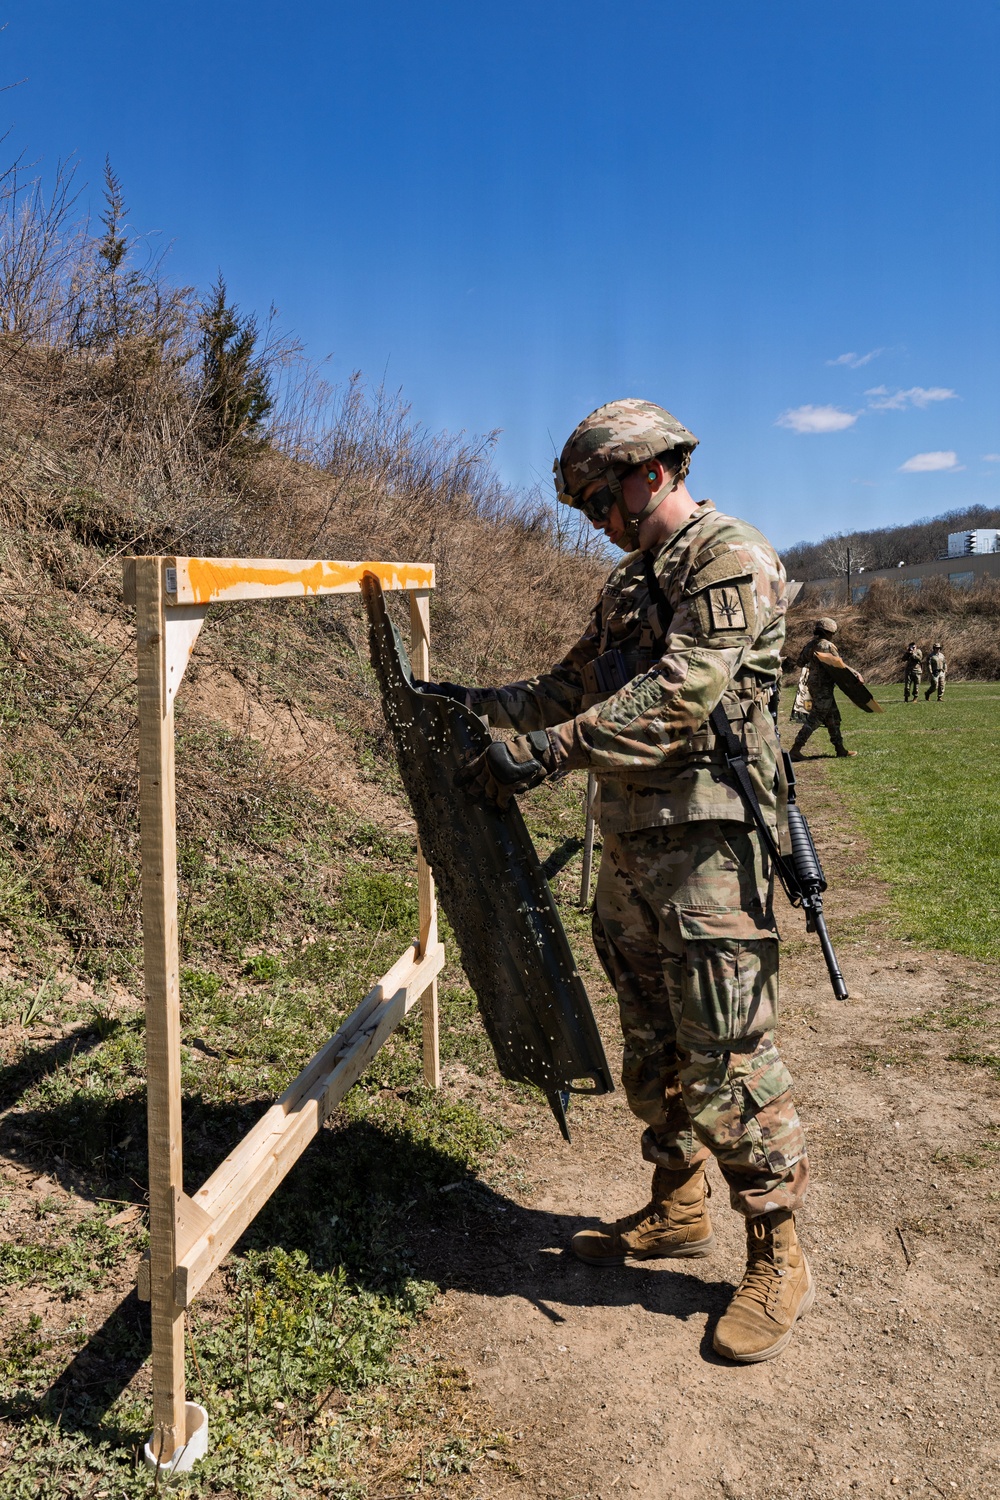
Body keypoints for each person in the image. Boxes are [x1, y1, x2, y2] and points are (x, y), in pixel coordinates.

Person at [424, 399, 812, 1364]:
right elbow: (573, 684)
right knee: (651, 1044)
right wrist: (469, 708)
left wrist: (549, 752)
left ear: (653, 471)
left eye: (601, 495)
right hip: (634, 851)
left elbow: (681, 691)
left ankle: (777, 1251)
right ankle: (678, 1206)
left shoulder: (729, 557)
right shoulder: (629, 584)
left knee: (729, 1055)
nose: (594, 515)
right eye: (582, 505)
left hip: (711, 858)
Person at [789, 619, 858, 760]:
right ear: (828, 632)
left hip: (814, 685)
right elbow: (840, 665)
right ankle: (795, 749)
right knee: (816, 718)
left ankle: (840, 749)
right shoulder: (827, 645)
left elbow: (800, 662)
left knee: (833, 718)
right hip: (823, 687)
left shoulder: (810, 645)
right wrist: (856, 674)